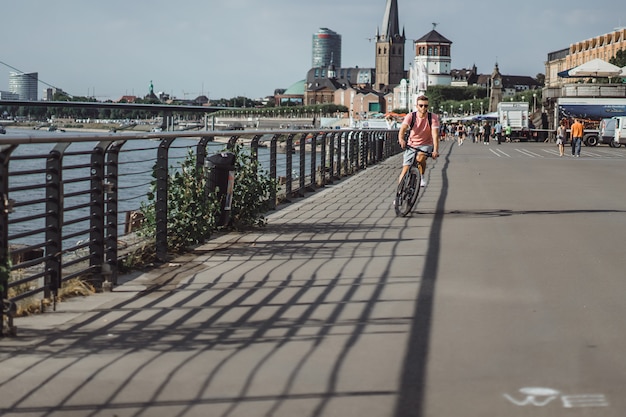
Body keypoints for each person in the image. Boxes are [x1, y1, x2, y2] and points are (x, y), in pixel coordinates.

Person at [398, 95, 440, 187]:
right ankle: (399, 194)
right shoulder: (411, 116)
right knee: (405, 170)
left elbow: (435, 135)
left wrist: (435, 150)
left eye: (425, 106)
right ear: (416, 106)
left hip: (426, 144)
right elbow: (403, 129)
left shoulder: (432, 118)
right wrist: (401, 139)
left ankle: (421, 175)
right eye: (421, 105)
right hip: (412, 144)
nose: (423, 108)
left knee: (420, 158)